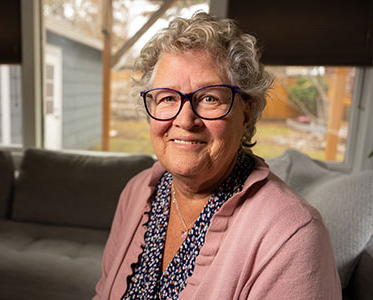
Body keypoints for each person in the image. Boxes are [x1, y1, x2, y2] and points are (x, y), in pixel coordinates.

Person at [93, 12, 341, 300]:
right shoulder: (136, 192)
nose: (185, 120)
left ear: (246, 112)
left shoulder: (293, 236)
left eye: (209, 98)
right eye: (167, 98)